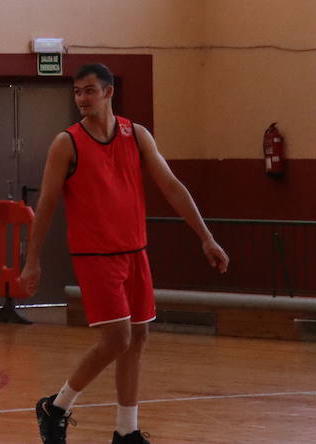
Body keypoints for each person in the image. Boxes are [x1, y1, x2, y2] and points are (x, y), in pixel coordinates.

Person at [20, 63, 229, 444]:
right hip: (95, 255)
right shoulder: (66, 143)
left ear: (108, 92)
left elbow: (171, 185)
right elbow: (47, 205)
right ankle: (57, 406)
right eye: (77, 92)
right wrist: (32, 260)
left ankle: (126, 430)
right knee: (117, 340)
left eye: (89, 90)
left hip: (135, 251)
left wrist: (206, 237)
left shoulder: (137, 135)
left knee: (138, 338)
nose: (82, 98)